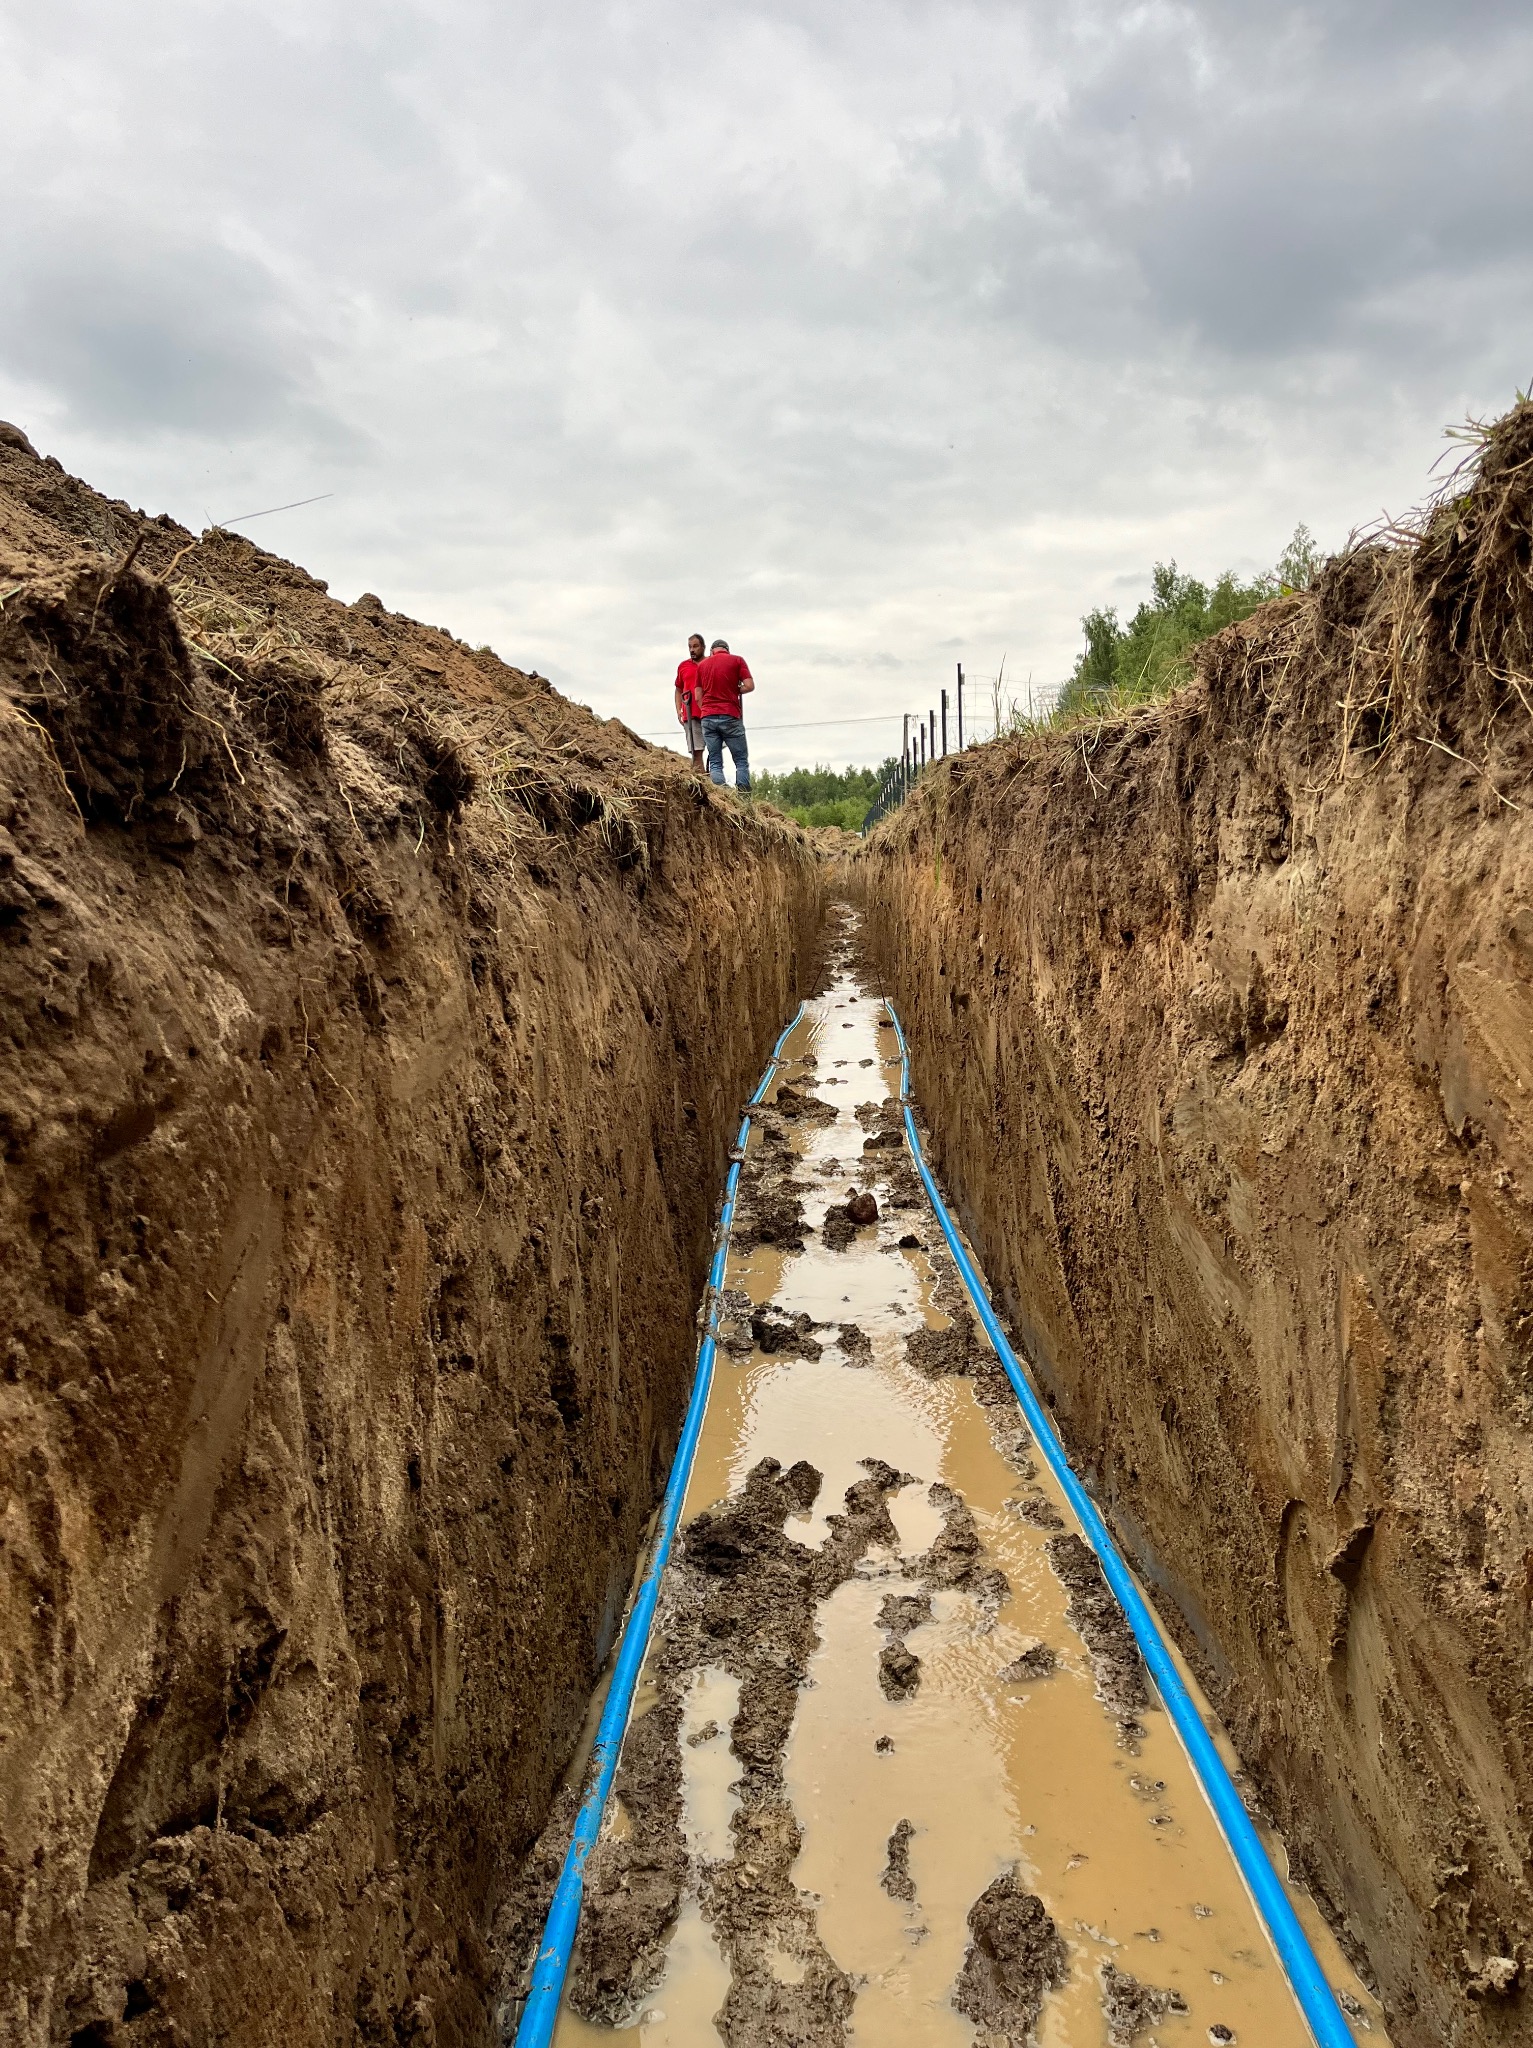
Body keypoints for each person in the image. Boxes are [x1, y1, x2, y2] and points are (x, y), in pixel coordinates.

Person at [694, 638, 754, 792]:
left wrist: (706, 710)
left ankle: (722, 794)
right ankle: (744, 797)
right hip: (730, 715)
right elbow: (749, 686)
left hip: (707, 717)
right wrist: (734, 690)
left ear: (711, 651)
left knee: (714, 760)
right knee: (740, 760)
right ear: (727, 650)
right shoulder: (737, 661)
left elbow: (697, 696)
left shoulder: (702, 666)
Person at [674, 632, 706, 772]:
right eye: (690, 647)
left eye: (695, 646)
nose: (692, 650)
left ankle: (716, 781)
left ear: (703, 647)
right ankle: (702, 781)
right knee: (696, 751)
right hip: (690, 711)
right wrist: (678, 710)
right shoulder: (683, 666)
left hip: (709, 712)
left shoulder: (710, 663)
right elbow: (678, 689)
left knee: (715, 750)